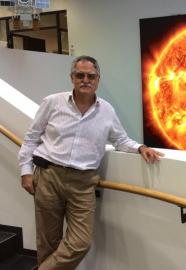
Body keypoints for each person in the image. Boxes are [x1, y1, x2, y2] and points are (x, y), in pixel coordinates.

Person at [18, 55, 164, 270]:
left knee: (80, 243)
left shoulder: (106, 110)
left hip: (83, 183)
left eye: (91, 76)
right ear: (72, 78)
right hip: (49, 177)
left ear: (98, 79)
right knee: (48, 242)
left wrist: (140, 148)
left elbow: (120, 139)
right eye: (80, 75)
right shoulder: (52, 102)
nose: (85, 79)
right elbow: (31, 138)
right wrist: (25, 171)